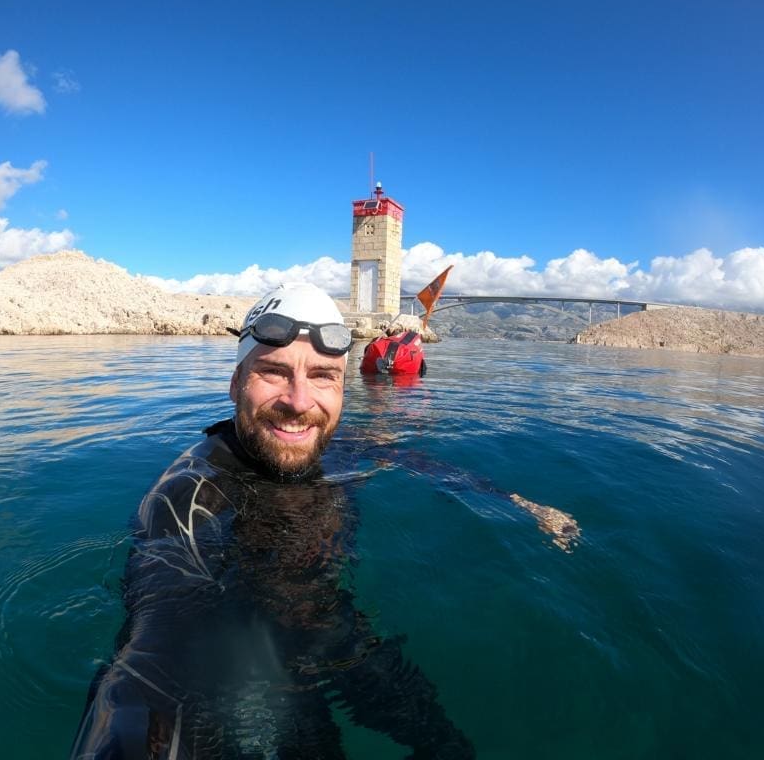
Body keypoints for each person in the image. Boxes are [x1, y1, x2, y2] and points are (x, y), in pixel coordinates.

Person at [71, 282, 474, 759]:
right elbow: (154, 650)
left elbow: (410, 457)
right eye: (274, 372)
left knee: (449, 747)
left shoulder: (333, 446)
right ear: (236, 383)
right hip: (252, 672)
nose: (299, 401)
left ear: (342, 390)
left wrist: (521, 503)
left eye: (323, 376)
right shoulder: (190, 496)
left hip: (337, 632)